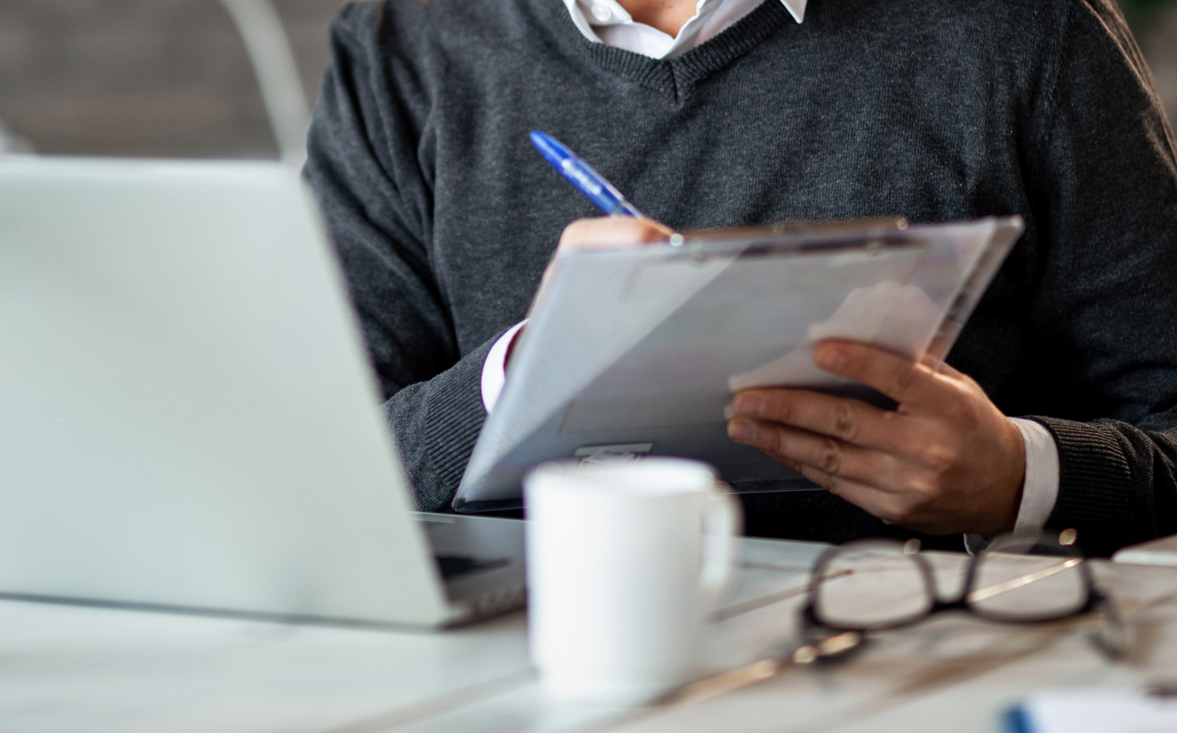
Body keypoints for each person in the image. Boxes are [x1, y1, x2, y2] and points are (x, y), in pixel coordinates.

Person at [303, 0, 1177, 557]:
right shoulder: (402, 41)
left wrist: (1017, 478)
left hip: (901, 675)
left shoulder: (1025, 30)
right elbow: (310, 464)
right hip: (515, 671)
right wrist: (527, 370)